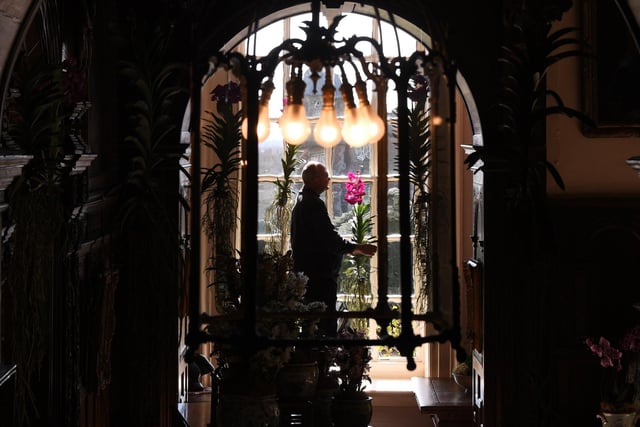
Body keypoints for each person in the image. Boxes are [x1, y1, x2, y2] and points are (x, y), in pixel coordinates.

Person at [290, 161, 377, 337]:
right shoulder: (313, 204)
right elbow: (328, 239)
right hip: (319, 277)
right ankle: (322, 361)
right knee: (323, 325)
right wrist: (357, 248)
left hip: (310, 274)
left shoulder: (303, 200)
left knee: (313, 323)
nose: (329, 177)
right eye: (325, 175)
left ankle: (317, 360)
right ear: (314, 180)